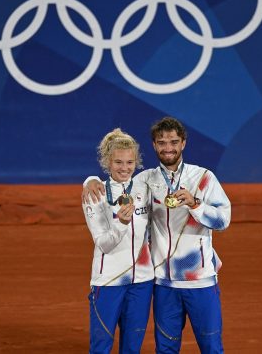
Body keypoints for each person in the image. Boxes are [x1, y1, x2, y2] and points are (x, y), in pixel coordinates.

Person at [83, 117, 231, 354]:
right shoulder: (146, 180)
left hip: (200, 280)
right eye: (162, 143)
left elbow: (223, 221)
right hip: (163, 282)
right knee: (166, 349)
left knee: (212, 347)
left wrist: (195, 204)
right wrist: (89, 181)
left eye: (174, 142)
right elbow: (117, 179)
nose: (168, 147)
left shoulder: (203, 177)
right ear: (154, 145)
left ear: (183, 143)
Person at [83, 128, 154, 354]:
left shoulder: (146, 187)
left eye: (130, 162)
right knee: (101, 347)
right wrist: (121, 224)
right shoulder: (95, 194)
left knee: (132, 348)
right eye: (118, 162)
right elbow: (103, 243)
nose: (124, 168)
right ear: (107, 162)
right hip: (108, 281)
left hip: (142, 281)